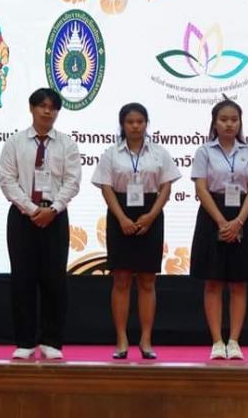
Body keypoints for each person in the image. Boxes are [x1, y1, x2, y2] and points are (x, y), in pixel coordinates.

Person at [0, 88, 82, 361]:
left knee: (54, 280)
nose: (47, 111)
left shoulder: (67, 144)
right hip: (23, 217)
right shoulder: (15, 142)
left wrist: (53, 208)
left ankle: (51, 341)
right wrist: (33, 209)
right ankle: (24, 341)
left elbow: (72, 181)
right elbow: (7, 180)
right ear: (31, 108)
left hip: (55, 217)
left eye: (52, 107)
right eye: (42, 106)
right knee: (22, 279)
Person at [92, 103, 180, 359]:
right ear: (122, 124)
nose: (135, 126)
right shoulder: (111, 153)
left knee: (147, 280)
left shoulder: (159, 152)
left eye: (140, 121)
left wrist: (151, 216)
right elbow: (106, 187)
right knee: (120, 279)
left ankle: (146, 339)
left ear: (146, 123)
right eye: (130, 122)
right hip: (120, 214)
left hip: (150, 213)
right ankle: (121, 339)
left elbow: (166, 187)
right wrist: (121, 218)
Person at [189, 98, 248, 360]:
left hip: (242, 215)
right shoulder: (204, 151)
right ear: (214, 123)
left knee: (238, 283)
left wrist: (238, 222)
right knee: (213, 282)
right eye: (223, 119)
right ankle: (217, 341)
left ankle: (234, 341)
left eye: (234, 119)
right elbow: (201, 189)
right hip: (213, 215)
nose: (229, 124)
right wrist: (222, 223)